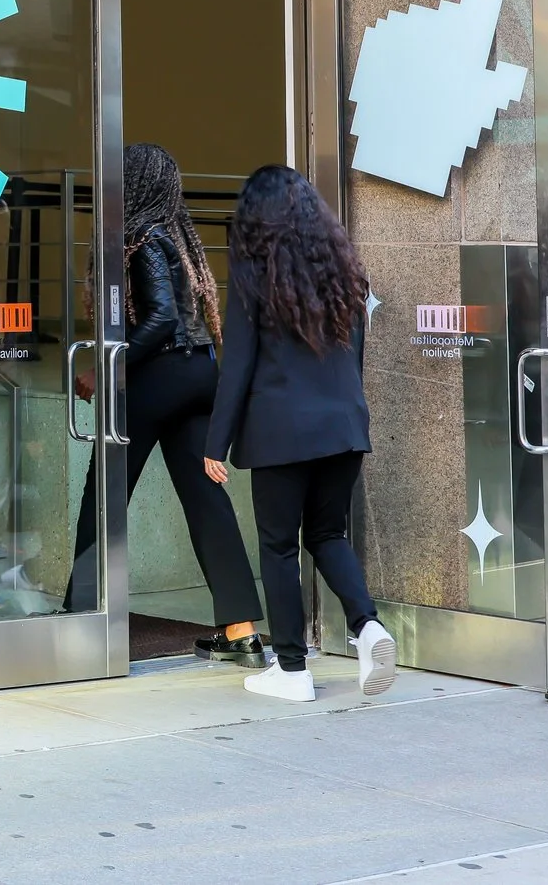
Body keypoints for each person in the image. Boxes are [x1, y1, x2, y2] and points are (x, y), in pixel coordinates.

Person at [62, 144, 264, 664]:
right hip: (200, 373)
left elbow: (161, 321)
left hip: (163, 374)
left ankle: (81, 618)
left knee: (103, 496)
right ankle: (241, 630)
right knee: (206, 501)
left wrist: (103, 367)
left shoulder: (143, 239)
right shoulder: (175, 237)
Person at [203, 165, 395, 703]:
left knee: (279, 547)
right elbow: (354, 355)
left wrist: (215, 443)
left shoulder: (252, 272)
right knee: (328, 535)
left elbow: (237, 363)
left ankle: (291, 669)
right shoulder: (342, 269)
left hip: (281, 432)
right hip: (344, 427)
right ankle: (368, 628)